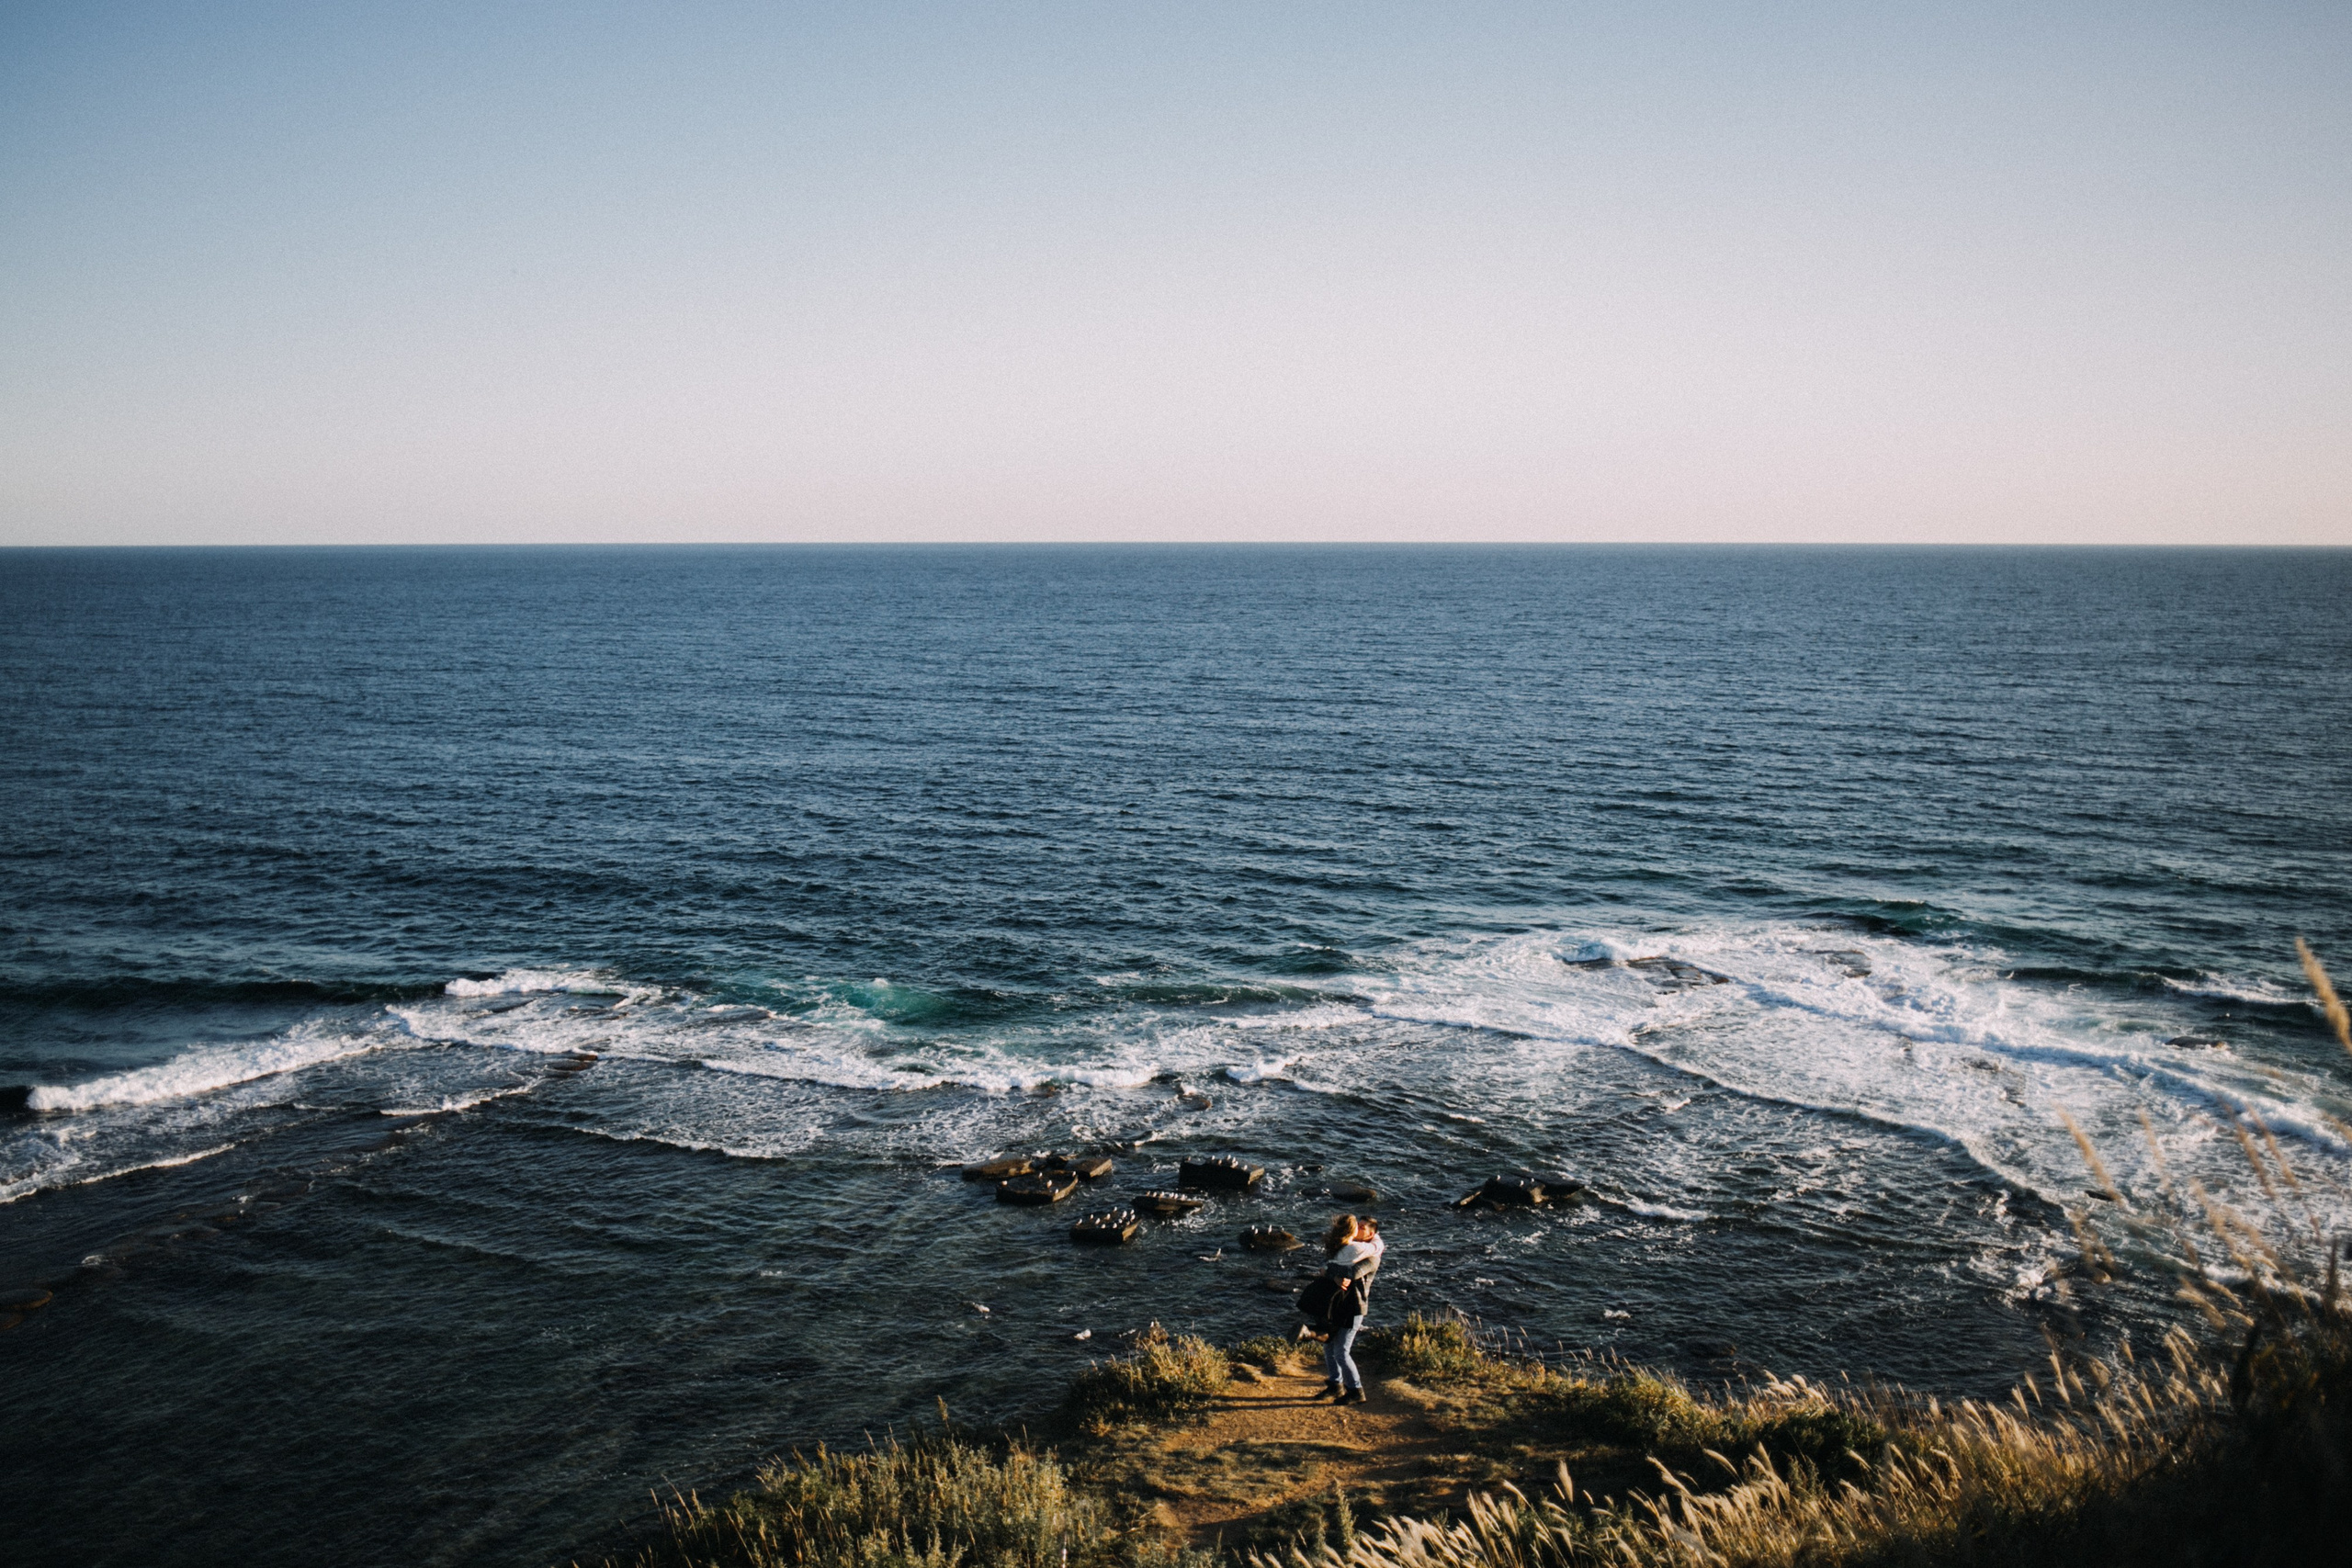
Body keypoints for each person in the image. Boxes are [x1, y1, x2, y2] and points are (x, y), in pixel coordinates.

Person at [1319, 1213, 1382, 1405]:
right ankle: (1335, 1385)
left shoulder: (1372, 1256)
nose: (1358, 1229)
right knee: (1329, 1346)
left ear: (1371, 1234)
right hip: (1340, 1304)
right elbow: (1332, 1265)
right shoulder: (1349, 1249)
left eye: (1363, 1228)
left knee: (1341, 1351)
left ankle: (1356, 1390)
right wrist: (1331, 1272)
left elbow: (1352, 1273)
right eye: (1358, 1225)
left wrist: (1329, 1272)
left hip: (1355, 1308)